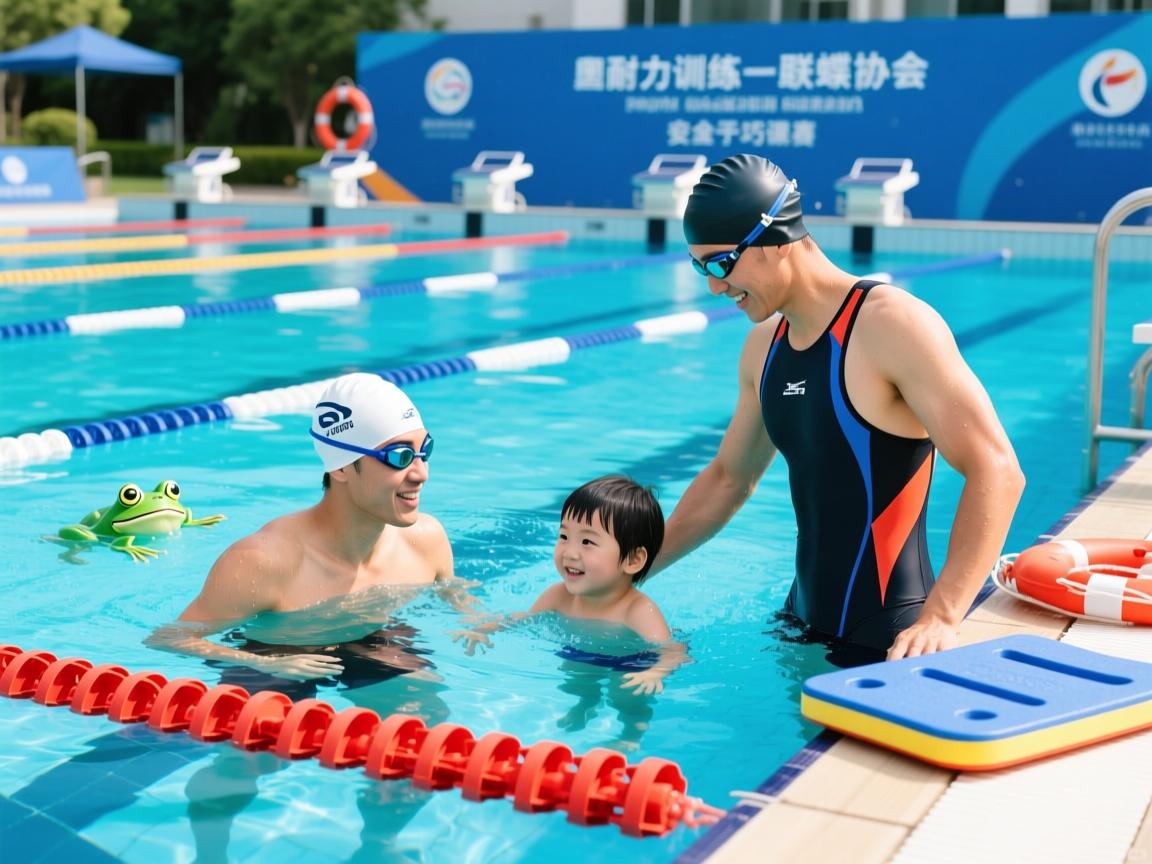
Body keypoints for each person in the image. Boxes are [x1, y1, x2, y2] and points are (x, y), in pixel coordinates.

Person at [657, 153, 1025, 661]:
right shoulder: (765, 346)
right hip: (797, 621)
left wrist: (942, 617)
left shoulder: (892, 325)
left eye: (720, 264)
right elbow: (727, 480)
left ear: (773, 239)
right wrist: (627, 573)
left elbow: (998, 470)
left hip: (888, 634)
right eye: (700, 268)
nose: (714, 287)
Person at [147, 372, 474, 688]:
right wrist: (265, 663)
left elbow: (452, 591)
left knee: (424, 709)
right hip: (278, 653)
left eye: (424, 451)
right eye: (400, 457)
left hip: (374, 638)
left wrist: (473, 619)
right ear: (343, 467)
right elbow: (168, 637)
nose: (421, 474)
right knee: (261, 737)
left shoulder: (426, 540)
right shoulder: (264, 561)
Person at [456, 475, 687, 697]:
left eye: (587, 541)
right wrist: (483, 628)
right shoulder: (559, 596)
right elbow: (525, 620)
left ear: (633, 560)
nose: (569, 552)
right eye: (564, 536)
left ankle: (630, 734)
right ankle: (583, 707)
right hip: (579, 655)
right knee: (574, 679)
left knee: (627, 697)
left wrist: (654, 672)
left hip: (627, 661)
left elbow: (673, 650)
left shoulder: (637, 610)